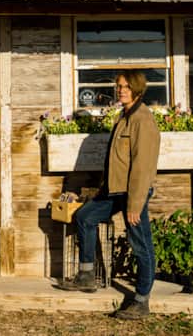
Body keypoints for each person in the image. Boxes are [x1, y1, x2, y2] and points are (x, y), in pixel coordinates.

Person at [60, 70, 160, 320]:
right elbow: (117, 161)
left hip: (132, 192)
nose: (121, 90)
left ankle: (141, 300)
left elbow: (142, 166)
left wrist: (135, 204)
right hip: (115, 190)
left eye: (126, 86)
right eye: (119, 86)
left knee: (141, 244)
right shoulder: (124, 116)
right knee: (85, 217)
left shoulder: (142, 120)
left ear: (137, 89)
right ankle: (85, 276)